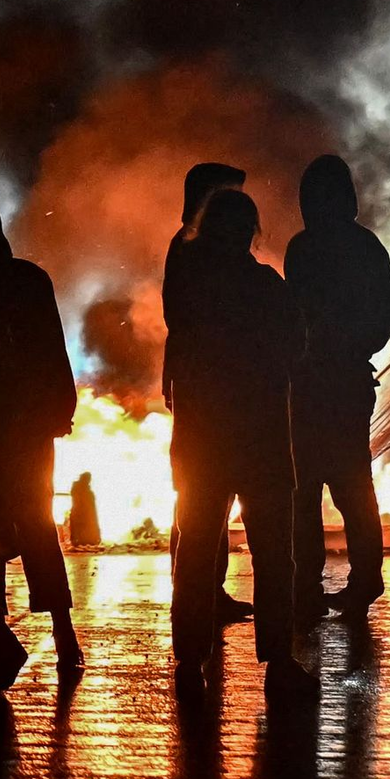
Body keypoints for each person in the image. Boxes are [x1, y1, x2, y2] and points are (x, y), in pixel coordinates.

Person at [163, 190, 316, 699]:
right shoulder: (265, 286)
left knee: (197, 546)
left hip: (201, 440)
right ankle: (277, 659)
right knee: (274, 552)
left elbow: (180, 355)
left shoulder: (188, 291)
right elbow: (296, 348)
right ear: (251, 231)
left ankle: (189, 656)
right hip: (261, 439)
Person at [286, 155, 390, 624]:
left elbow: (383, 310)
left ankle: (317, 582)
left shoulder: (307, 247)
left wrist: (337, 351)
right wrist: (355, 350)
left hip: (321, 380)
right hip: (334, 379)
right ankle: (350, 580)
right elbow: (387, 311)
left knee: (315, 485)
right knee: (343, 485)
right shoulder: (362, 246)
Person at [0, 204, 83, 688]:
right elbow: (54, 348)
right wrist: (59, 409)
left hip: (11, 429)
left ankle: (0, 629)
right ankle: (64, 636)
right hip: (26, 432)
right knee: (35, 529)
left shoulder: (24, 283)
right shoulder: (28, 280)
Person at [164, 162, 253, 625]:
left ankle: (202, 594)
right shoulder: (190, 251)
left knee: (200, 494)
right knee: (200, 496)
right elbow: (181, 321)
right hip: (209, 391)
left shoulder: (191, 250)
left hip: (198, 386)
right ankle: (197, 595)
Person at [68, 472, 101, 547]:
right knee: (80, 529)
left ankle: (86, 541)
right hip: (81, 514)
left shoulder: (83, 490)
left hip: (84, 515)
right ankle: (82, 541)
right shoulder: (82, 490)